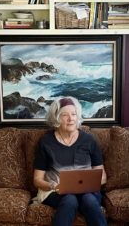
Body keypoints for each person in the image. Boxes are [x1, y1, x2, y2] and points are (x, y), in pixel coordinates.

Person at [33, 96, 107, 226]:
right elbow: (37, 179)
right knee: (70, 199)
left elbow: (103, 176)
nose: (71, 118)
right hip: (55, 191)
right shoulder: (46, 142)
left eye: (74, 114)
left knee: (89, 200)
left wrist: (89, 184)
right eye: (65, 115)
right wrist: (54, 186)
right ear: (56, 118)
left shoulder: (89, 140)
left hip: (87, 191)